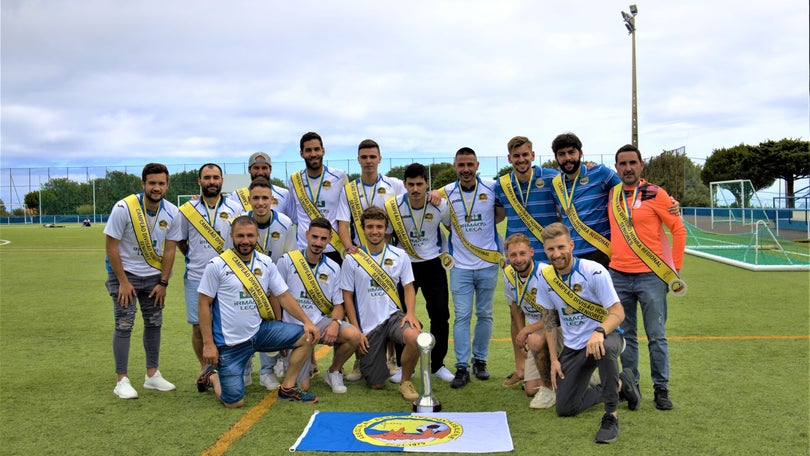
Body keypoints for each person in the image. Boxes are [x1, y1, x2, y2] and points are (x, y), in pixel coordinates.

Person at [196, 216, 320, 408]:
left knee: (307, 336)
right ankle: (212, 376)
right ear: (232, 236)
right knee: (234, 402)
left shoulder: (266, 262)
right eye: (240, 236)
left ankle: (287, 388)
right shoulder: (217, 265)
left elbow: (284, 296)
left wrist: (307, 321)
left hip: (260, 332)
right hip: (231, 344)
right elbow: (204, 304)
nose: (245, 240)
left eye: (250, 236)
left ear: (258, 237)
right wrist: (208, 344)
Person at [536, 223, 640, 444]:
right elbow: (549, 320)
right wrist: (554, 359)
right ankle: (621, 385)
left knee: (605, 348)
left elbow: (618, 312)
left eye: (561, 247)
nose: (556, 254)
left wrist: (599, 331)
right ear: (544, 250)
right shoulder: (545, 277)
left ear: (571, 245)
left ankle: (611, 416)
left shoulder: (594, 270)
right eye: (551, 249)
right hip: (574, 347)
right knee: (565, 408)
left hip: (607, 335)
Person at [608, 144, 687, 411]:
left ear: (641, 165)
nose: (628, 168)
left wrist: (673, 270)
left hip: (651, 276)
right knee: (625, 336)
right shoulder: (612, 194)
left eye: (633, 163)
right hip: (618, 275)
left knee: (656, 335)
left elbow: (679, 229)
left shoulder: (656, 193)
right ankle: (631, 385)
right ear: (616, 167)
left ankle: (661, 389)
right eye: (622, 164)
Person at [104, 163, 182, 399]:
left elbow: (170, 250)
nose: (156, 188)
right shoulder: (123, 208)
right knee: (124, 325)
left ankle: (152, 375)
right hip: (124, 276)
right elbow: (111, 247)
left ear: (167, 185)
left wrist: (164, 282)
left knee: (154, 324)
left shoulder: (172, 212)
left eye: (161, 183)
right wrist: (123, 281)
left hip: (153, 279)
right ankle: (122, 380)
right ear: (143, 184)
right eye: (152, 183)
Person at [550, 132, 679, 269]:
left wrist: (665, 199)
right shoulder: (556, 185)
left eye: (571, 152)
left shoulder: (601, 173)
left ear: (580, 153)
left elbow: (631, 188)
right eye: (562, 154)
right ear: (556, 157)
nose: (567, 158)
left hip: (602, 253)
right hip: (572, 255)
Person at [495, 135, 560, 388]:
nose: (521, 160)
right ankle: (521, 367)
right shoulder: (502, 184)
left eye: (525, 155)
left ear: (533, 155)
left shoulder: (552, 178)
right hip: (517, 258)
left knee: (552, 311)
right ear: (509, 158)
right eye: (515, 156)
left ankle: (554, 362)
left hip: (547, 258)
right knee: (517, 312)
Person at [339, 206, 422, 402]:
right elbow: (347, 297)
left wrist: (410, 312)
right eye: (370, 227)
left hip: (394, 317)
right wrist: (357, 330)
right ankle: (375, 365)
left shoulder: (399, 255)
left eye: (379, 226)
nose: (375, 231)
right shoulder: (352, 259)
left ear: (386, 228)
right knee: (376, 383)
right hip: (369, 327)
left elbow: (409, 287)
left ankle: (405, 381)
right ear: (363, 229)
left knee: (416, 338)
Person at [441, 147, 505, 388]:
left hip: (488, 263)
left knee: (485, 314)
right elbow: (448, 224)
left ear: (477, 165)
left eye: (470, 165)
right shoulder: (446, 192)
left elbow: (498, 215)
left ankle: (480, 361)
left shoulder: (492, 187)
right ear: (455, 167)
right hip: (460, 267)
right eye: (461, 165)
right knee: (462, 316)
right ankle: (461, 366)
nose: (466, 170)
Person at [384, 163, 455, 382]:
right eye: (411, 184)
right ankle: (406, 367)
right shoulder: (393, 206)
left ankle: (437, 365)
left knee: (440, 314)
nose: (415, 189)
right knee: (402, 317)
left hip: (433, 264)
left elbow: (453, 229)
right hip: (405, 266)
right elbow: (387, 237)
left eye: (420, 184)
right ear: (404, 184)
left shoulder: (440, 205)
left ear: (427, 184)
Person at [275, 217, 362, 393]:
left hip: (319, 325)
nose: (318, 242)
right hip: (294, 329)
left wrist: (335, 324)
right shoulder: (287, 260)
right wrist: (279, 329)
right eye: (314, 237)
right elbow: (276, 296)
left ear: (330, 239)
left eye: (323, 239)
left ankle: (333, 371)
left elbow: (339, 305)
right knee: (302, 387)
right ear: (306, 235)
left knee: (353, 335)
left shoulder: (334, 267)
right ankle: (289, 361)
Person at [178, 163, 242, 386]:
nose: (212, 181)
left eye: (216, 177)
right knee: (198, 326)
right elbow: (181, 241)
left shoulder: (235, 209)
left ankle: (229, 367)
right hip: (196, 276)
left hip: (226, 277)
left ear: (222, 180)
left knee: (226, 324)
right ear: (200, 181)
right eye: (207, 177)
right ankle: (204, 369)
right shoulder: (188, 210)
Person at [244, 177, 297, 391]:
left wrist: (276, 287)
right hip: (247, 287)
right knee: (245, 327)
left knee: (272, 327)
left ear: (272, 199)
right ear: (249, 200)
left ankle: (267, 371)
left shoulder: (284, 223)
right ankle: (245, 370)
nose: (260, 203)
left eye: (264, 198)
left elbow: (290, 259)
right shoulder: (240, 222)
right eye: (255, 198)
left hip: (276, 288)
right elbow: (230, 256)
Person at [502, 233, 555, 409]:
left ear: (531, 252)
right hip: (534, 334)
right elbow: (516, 308)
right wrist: (520, 334)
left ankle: (573, 379)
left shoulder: (545, 273)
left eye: (522, 253)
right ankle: (557, 379)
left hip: (554, 329)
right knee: (531, 390)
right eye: (513, 255)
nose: (518, 259)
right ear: (507, 256)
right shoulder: (509, 274)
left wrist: (526, 331)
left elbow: (556, 316)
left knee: (534, 338)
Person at [287, 132, 347, 266]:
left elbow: (346, 212)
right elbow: (294, 214)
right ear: (301, 153)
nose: (313, 154)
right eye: (308, 150)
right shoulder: (294, 180)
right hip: (304, 247)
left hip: (333, 247)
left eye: (316, 149)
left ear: (323, 151)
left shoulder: (339, 177)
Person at [336, 139, 405, 252]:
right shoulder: (348, 190)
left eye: (372, 157)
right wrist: (349, 248)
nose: (368, 161)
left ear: (379, 159)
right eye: (364, 157)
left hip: (387, 251)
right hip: (360, 252)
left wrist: (434, 193)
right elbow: (343, 224)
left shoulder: (395, 185)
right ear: (358, 160)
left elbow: (417, 194)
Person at [227, 151, 290, 217]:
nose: (260, 172)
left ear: (270, 169)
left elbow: (295, 221)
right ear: (249, 170)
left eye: (264, 168)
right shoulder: (236, 195)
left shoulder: (284, 194)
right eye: (256, 168)